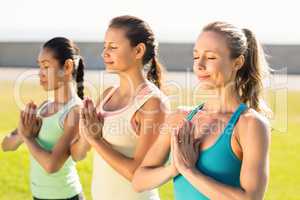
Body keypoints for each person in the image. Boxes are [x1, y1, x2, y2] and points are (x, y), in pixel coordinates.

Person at [132, 21, 271, 200]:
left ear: (237, 62)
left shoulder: (250, 124)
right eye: (196, 57)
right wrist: (173, 168)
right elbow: (139, 181)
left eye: (211, 57)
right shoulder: (179, 118)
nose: (200, 65)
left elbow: (251, 198)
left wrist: (188, 170)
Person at [71, 15, 169, 200]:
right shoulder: (106, 95)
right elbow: (77, 154)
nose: (104, 53)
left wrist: (96, 140)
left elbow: (138, 175)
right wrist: (84, 128)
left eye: (113, 47)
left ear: (138, 50)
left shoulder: (153, 103)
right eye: (105, 46)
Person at [2, 37, 85, 200]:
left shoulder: (75, 111)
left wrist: (27, 137)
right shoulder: (44, 107)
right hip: (38, 196)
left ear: (67, 67)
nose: (40, 73)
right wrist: (22, 134)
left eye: (46, 66)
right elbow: (6, 145)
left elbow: (51, 165)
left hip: (65, 197)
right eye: (39, 66)